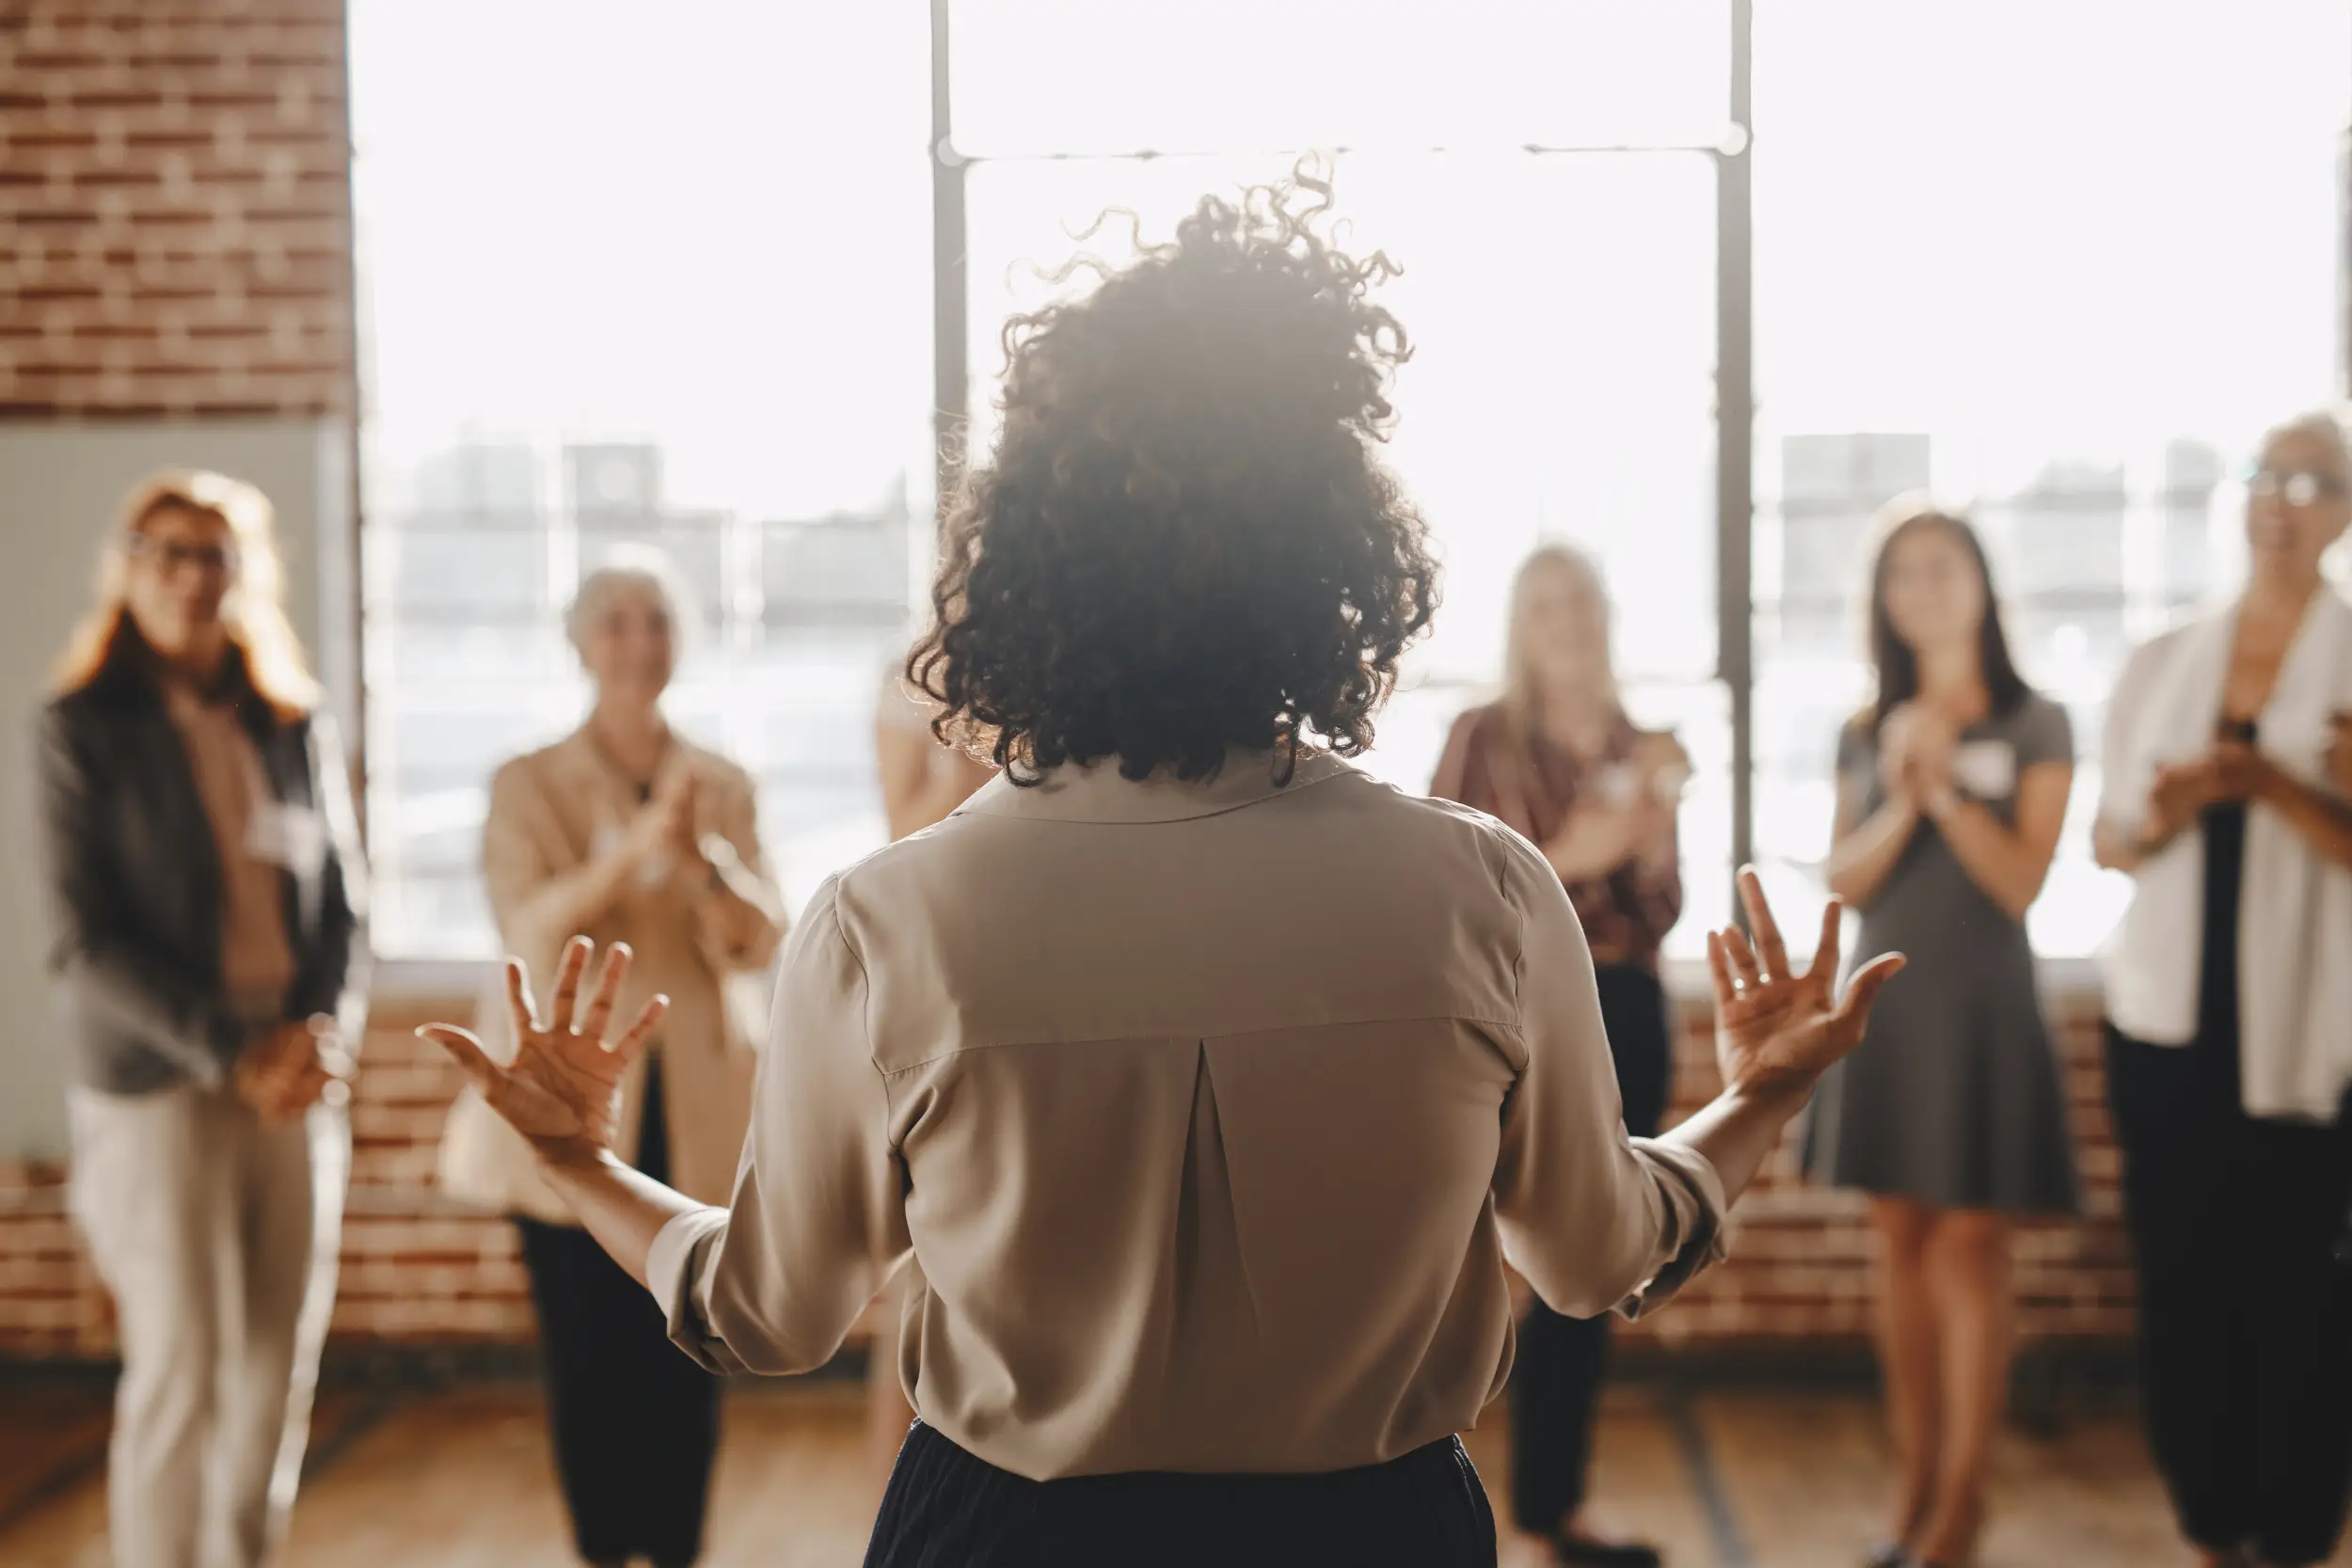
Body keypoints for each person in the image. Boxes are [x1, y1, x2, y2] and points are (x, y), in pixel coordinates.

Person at [421, 174, 1902, 1567]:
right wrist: (1765, 1087)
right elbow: (1597, 1258)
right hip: (1373, 1533)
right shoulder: (1485, 893)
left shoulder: (889, 921)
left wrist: (577, 1159)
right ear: (1338, 567)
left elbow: (765, 1312)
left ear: (1015, 570)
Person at [38, 470, 367, 1568]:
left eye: (214, 553)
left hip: (293, 1083)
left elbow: (341, 905)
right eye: (167, 551)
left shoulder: (287, 718)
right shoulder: (83, 725)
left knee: (275, 1365)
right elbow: (87, 942)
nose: (191, 574)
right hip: (162, 1088)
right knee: (184, 1363)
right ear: (128, 568)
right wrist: (236, 1052)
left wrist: (315, 1036)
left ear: (244, 573)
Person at [475, 551, 787, 1568]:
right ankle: (604, 1551)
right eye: (614, 620)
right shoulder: (526, 782)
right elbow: (526, 926)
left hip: (692, 1103)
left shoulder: (725, 783)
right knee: (587, 1359)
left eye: (656, 619)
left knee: (689, 1347)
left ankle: (680, 1548)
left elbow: (762, 937)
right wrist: (627, 849)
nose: (637, 641)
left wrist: (704, 861)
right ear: (579, 642)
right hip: (567, 1098)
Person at [2093, 411, 2352, 1568]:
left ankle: (2292, 1533)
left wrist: (2283, 789)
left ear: (2343, 511)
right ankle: (2206, 1520)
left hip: (2312, 1034)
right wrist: (2178, 806)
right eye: (2267, 475)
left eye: (2314, 482)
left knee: (2303, 1296)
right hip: (2169, 1027)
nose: (2283, 500)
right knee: (2186, 1282)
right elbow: (2112, 839)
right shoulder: (2163, 661)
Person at [1806, 500, 2078, 1568]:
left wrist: (1946, 790)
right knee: (1900, 1242)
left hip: (1985, 1005)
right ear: (1881, 601)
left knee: (1971, 1246)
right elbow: (1844, 876)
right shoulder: (1863, 727)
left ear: (1978, 581)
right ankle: (1911, 1493)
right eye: (1899, 573)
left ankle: (1965, 1505)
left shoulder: (2036, 719)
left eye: (1940, 565)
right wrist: (1905, 796)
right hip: (1890, 1006)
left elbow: (2020, 881)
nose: (1921, 586)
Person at [1430, 544, 1688, 1568]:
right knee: (1458, 1262)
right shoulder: (1478, 736)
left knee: (1596, 1261)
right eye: (1544, 604)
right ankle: (1431, 1512)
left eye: (1581, 599)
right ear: (1516, 624)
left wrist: (1643, 840)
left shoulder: (1646, 742)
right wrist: (1583, 850)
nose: (1566, 620)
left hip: (1623, 1004)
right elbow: (1457, 888)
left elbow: (1659, 908)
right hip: (1504, 1012)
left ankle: (1550, 1513)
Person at [860, 660, 996, 1492]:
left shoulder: (1097, 641)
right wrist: (968, 766)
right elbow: (899, 836)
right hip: (949, 957)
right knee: (923, 1265)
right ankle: (897, 1512)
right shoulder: (919, 672)